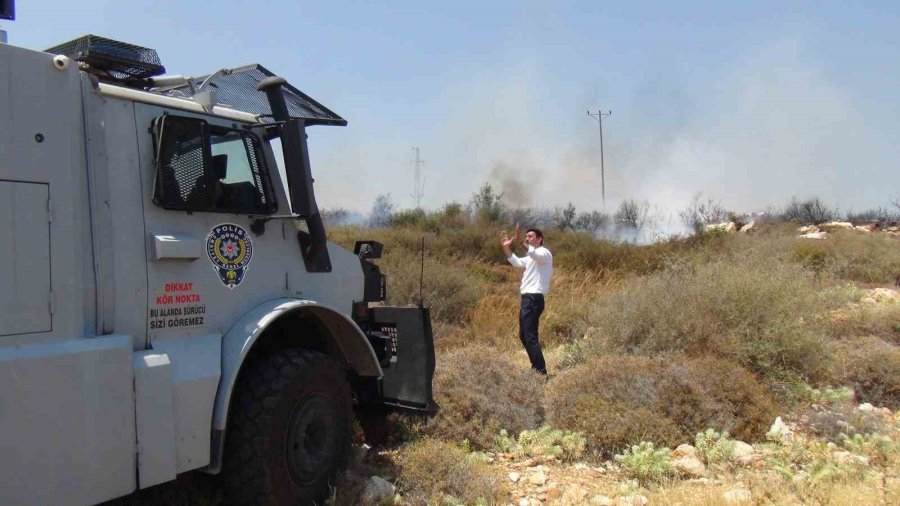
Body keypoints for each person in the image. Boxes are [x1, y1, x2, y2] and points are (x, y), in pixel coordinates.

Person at [500, 224, 553, 374]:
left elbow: (534, 255)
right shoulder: (531, 256)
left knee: (530, 336)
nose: (527, 238)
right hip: (527, 299)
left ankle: (540, 371)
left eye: (530, 237)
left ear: (540, 239)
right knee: (524, 335)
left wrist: (520, 243)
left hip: (533, 298)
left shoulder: (544, 253)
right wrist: (506, 247)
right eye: (526, 237)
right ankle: (536, 367)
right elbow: (516, 262)